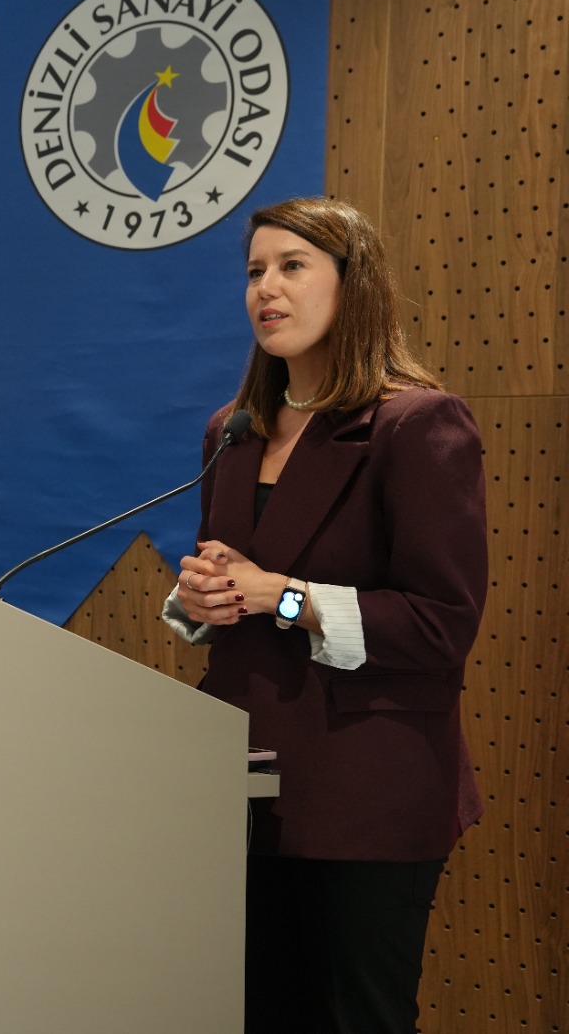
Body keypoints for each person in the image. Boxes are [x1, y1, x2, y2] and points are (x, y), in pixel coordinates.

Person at [161, 197, 487, 1034]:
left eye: (292, 267)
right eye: (254, 271)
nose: (265, 288)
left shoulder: (415, 424)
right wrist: (197, 601)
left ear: (354, 285)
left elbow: (442, 623)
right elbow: (232, 578)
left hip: (364, 789)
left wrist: (284, 596)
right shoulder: (233, 430)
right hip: (240, 784)